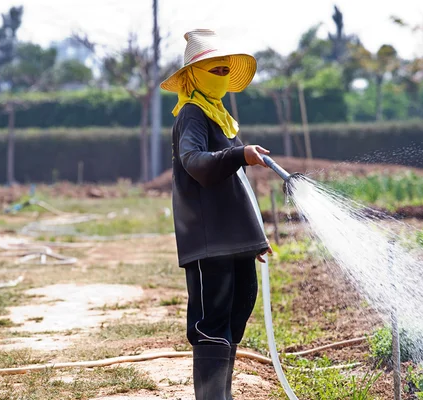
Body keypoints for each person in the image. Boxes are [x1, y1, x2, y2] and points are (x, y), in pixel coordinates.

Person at [160, 29, 273, 400]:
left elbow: (235, 186)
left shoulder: (219, 118)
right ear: (193, 74)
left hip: (233, 241)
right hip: (210, 243)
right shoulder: (192, 116)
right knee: (212, 325)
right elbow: (196, 164)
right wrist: (240, 154)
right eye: (213, 68)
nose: (221, 75)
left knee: (237, 314)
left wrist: (253, 238)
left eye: (226, 69)